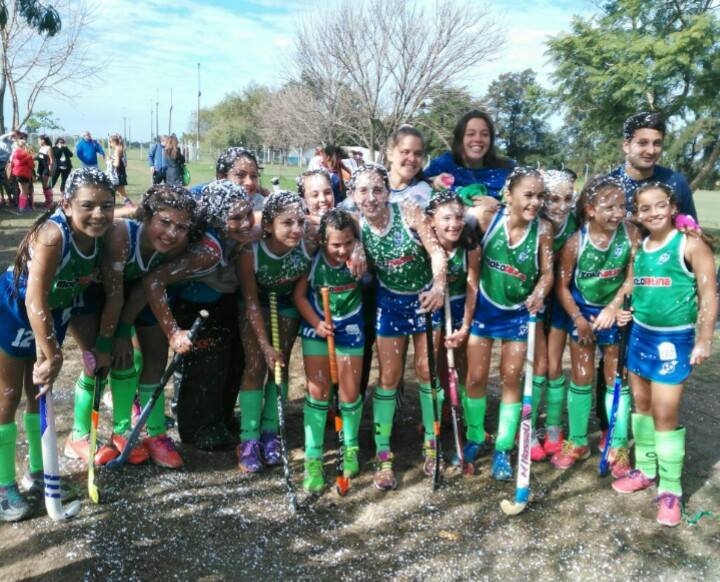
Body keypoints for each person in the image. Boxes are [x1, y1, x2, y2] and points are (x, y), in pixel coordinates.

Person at [0, 168, 115, 522]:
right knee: (7, 396)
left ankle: (39, 473)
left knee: (38, 393)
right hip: (15, 311)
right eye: (88, 205)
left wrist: (91, 345)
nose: (98, 214)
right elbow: (34, 299)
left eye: (106, 206)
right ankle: (3, 484)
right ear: (66, 205)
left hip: (54, 313)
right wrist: (52, 353)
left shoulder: (106, 234)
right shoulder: (52, 236)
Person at [65, 184, 200, 467]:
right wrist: (112, 339)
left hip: (133, 295)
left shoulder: (175, 245)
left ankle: (140, 433)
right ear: (147, 216)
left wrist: (125, 330)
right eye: (165, 222)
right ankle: (78, 436)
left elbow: (142, 290)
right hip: (93, 294)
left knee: (148, 360)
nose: (172, 233)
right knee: (98, 361)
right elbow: (113, 295)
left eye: (181, 227)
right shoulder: (121, 235)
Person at [612, 182, 716, 527]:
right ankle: (645, 469)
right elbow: (633, 285)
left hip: (674, 341)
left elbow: (709, 295)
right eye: (645, 208)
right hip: (640, 336)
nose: (653, 213)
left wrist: (704, 339)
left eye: (660, 205)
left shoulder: (690, 244)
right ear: (637, 214)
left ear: (672, 208)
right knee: (641, 406)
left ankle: (671, 489)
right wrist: (623, 309)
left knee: (665, 412)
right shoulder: (639, 247)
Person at [351, 163, 447, 490]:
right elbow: (324, 226)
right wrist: (356, 245)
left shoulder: (408, 211)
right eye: (363, 191)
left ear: (387, 192)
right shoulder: (355, 224)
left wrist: (439, 286)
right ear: (354, 196)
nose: (371, 197)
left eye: (377, 190)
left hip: (424, 299)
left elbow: (436, 253)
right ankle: (383, 453)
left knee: (426, 371)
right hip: (389, 303)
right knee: (389, 377)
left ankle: (432, 445)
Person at [465, 167, 553, 480]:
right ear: (509, 195)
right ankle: (475, 436)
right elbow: (455, 223)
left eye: (540, 196)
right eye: (528, 195)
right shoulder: (488, 218)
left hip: (518, 312)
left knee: (511, 377)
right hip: (486, 308)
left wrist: (540, 292)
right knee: (476, 377)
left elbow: (547, 272)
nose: (535, 202)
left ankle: (503, 446)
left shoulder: (543, 229)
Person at [553, 175, 640, 476]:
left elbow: (632, 278)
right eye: (609, 207)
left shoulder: (630, 234)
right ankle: (578, 441)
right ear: (590, 209)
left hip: (616, 313)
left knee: (616, 378)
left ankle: (618, 444)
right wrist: (578, 318)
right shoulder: (575, 242)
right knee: (581, 376)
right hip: (583, 316)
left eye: (622, 206)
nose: (618, 213)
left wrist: (614, 307)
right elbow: (562, 286)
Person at [236, 191, 315, 473]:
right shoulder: (250, 253)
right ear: (268, 225)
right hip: (255, 303)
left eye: (300, 222)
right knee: (256, 364)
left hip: (288, 303)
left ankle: (271, 431)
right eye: (287, 223)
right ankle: (248, 437)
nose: (296, 229)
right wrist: (264, 344)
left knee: (280, 364)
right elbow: (250, 301)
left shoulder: (309, 245)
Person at [293, 209, 365, 493]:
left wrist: (360, 253)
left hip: (350, 325)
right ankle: (313, 459)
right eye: (336, 245)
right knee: (318, 391)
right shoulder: (313, 260)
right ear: (323, 241)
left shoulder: (358, 257)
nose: (342, 250)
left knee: (349, 392)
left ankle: (350, 448)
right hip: (318, 326)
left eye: (348, 242)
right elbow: (299, 296)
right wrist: (316, 323)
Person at [426, 193, 480, 464]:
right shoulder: (426, 245)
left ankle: (472, 428)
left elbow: (473, 289)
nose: (454, 224)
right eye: (446, 218)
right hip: (434, 309)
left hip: (460, 309)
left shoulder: (470, 247)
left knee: (462, 366)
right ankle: (440, 416)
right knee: (437, 366)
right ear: (432, 221)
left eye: (458, 217)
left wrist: (466, 326)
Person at [530, 169, 578, 461]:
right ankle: (528, 427)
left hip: (562, 298)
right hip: (536, 298)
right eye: (553, 199)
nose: (561, 206)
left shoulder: (577, 220)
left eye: (568, 199)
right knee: (539, 364)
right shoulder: (533, 220)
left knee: (555, 365)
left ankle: (553, 426)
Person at [608, 112, 697, 220]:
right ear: (627, 146)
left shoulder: (677, 183)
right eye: (642, 143)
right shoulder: (608, 186)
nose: (651, 151)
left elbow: (691, 227)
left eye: (657, 143)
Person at [424, 110, 515, 200]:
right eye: (470, 134)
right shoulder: (443, 165)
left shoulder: (506, 170)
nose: (478, 139)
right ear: (460, 139)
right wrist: (433, 183)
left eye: (484, 134)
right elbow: (419, 183)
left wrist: (496, 205)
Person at [8, 138, 34, 212]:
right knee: (24, 192)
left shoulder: (15, 153)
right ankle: (22, 207)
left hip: (17, 174)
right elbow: (31, 165)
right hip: (25, 174)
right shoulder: (27, 154)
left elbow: (12, 163)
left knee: (22, 191)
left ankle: (23, 206)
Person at [107, 134, 131, 206]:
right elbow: (123, 162)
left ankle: (130, 206)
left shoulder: (117, 150)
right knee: (121, 193)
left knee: (116, 192)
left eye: (110, 142)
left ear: (114, 142)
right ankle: (130, 206)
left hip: (117, 174)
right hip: (121, 173)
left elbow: (117, 164)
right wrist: (112, 158)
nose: (110, 144)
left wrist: (110, 162)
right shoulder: (121, 148)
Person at [36, 135, 55, 208]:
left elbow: (51, 160)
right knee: (43, 186)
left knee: (46, 185)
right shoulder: (41, 148)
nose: (38, 142)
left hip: (46, 169)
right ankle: (47, 200)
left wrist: (50, 170)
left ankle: (50, 201)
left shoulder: (48, 148)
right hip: (40, 169)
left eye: (39, 140)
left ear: (43, 140)